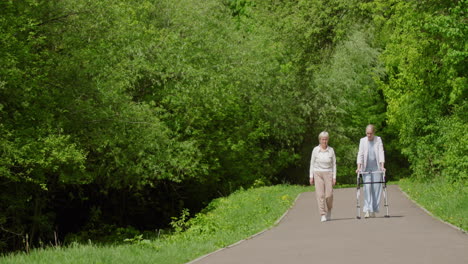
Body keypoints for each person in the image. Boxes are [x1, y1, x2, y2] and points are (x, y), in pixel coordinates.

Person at [356, 124, 385, 218]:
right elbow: (360, 154)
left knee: (376, 189)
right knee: (367, 188)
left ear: (374, 133)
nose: (369, 135)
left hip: (376, 167)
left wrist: (382, 166)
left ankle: (373, 209)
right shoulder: (362, 141)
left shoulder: (378, 140)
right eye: (367, 133)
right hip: (366, 167)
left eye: (370, 133)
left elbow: (381, 152)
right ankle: (367, 209)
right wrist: (358, 167)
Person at [309, 131, 336, 222]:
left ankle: (329, 210)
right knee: (320, 195)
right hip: (318, 173)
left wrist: (334, 177)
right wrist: (311, 176)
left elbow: (334, 164)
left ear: (328, 140)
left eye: (326, 139)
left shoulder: (331, 150)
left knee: (329, 195)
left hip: (328, 173)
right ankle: (322, 214)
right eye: (322, 139)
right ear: (320, 140)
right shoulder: (315, 150)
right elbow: (312, 163)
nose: (324, 141)